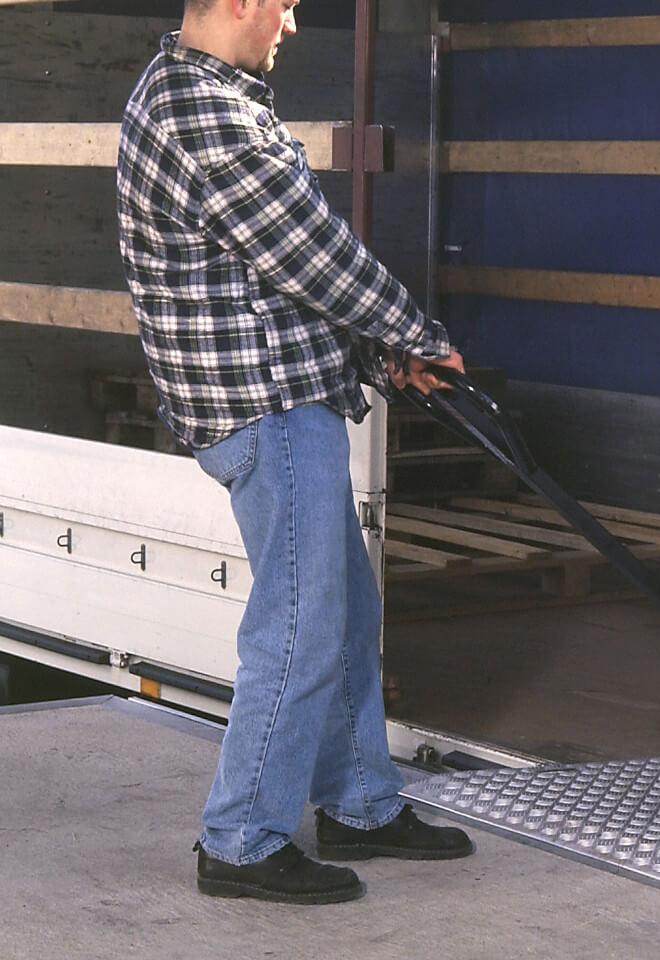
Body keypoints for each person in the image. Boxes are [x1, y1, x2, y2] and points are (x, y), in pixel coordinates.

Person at [116, 0, 472, 904]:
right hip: (267, 412)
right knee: (301, 624)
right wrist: (412, 330)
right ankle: (240, 840)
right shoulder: (199, 107)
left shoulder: (217, 98)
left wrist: (379, 351)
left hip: (289, 396)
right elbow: (308, 253)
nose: (293, 23)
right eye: (285, 3)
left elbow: (270, 284)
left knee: (343, 610)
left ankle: (357, 801)